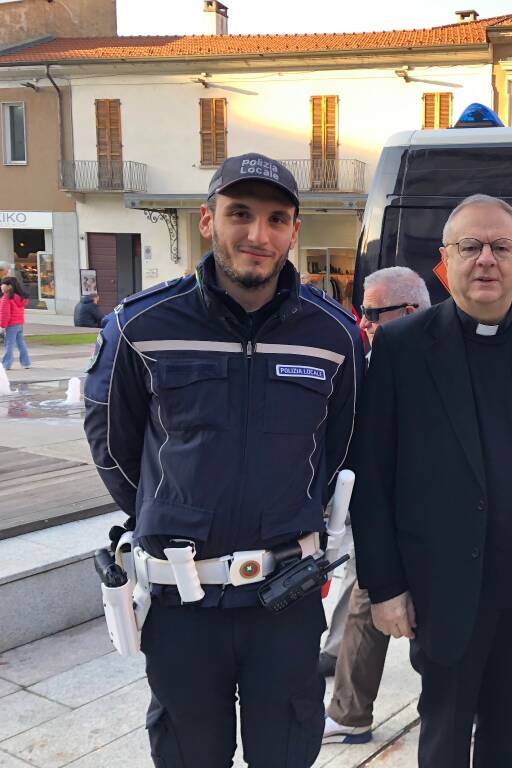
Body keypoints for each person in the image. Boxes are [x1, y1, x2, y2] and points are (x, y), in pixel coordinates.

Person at [83, 152, 363, 768]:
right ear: (208, 221)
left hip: (285, 599)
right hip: (183, 605)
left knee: (287, 753)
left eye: (276, 219)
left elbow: (341, 447)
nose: (257, 235)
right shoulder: (140, 325)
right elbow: (113, 444)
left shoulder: (334, 335)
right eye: (240, 214)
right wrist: (167, 511)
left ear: (294, 231)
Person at [350, 194, 512, 767]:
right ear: (445, 259)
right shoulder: (400, 349)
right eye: (470, 246)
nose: (486, 259)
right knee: (444, 736)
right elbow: (373, 475)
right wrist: (384, 586)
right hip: (443, 592)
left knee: (510, 739)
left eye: (501, 247)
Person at [321, 266, 430, 744]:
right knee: (366, 609)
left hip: (435, 528)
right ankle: (349, 715)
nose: (360, 321)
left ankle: (446, 709)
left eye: (369, 313)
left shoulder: (453, 356)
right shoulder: (371, 359)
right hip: (381, 519)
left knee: (433, 627)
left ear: (407, 312)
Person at [1, 276, 31, 370]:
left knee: (9, 344)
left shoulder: (6, 298)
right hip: (19, 324)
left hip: (11, 325)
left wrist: (2, 325)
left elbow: (4, 314)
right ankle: (26, 363)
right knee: (21, 343)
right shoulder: (20, 298)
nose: (1, 286)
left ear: (9, 286)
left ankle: (6, 365)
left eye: (3, 284)